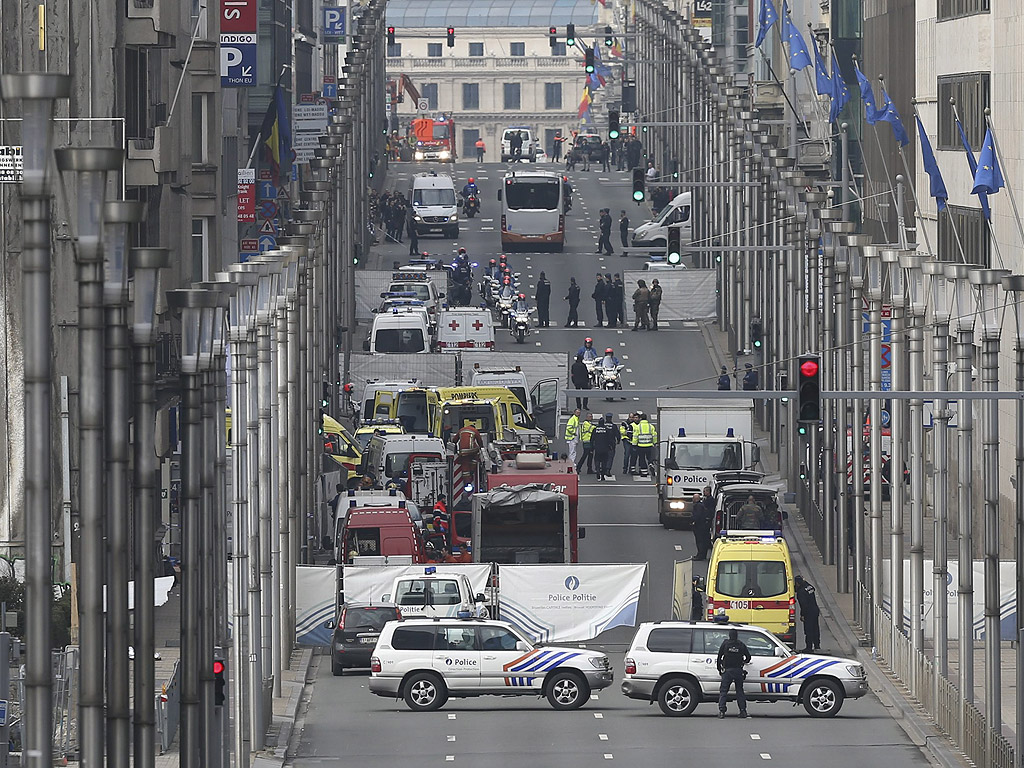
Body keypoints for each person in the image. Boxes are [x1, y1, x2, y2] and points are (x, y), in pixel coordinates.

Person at [716, 628, 751, 718]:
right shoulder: (741, 645)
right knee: (739, 691)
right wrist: (743, 662)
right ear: (737, 635)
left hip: (727, 671)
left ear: (729, 635)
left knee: (723, 691)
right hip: (738, 670)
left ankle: (721, 711)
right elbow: (748, 657)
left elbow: (719, 657)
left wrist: (719, 669)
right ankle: (743, 711)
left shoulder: (725, 644)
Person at [794, 575, 822, 652]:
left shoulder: (801, 592)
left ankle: (809, 647)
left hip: (809, 613)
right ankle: (817, 645)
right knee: (815, 628)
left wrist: (802, 615)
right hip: (815, 610)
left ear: (797, 583)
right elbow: (812, 587)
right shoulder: (809, 587)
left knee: (808, 630)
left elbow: (804, 605)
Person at [591, 413, 619, 481]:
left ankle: (598, 470)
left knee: (597, 460)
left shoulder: (595, 429)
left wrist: (592, 448)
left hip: (597, 448)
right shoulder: (608, 428)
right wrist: (613, 444)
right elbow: (611, 438)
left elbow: (592, 439)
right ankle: (604, 473)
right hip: (606, 448)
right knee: (605, 461)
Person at [631, 411, 657, 476]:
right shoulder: (651, 426)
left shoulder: (638, 427)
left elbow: (635, 436)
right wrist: (655, 443)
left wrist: (634, 444)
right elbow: (654, 435)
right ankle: (651, 464)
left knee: (642, 459)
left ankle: (644, 472)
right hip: (649, 445)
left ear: (640, 419)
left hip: (641, 446)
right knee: (649, 457)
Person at [691, 492, 711, 561]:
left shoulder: (698, 506)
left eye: (693, 498)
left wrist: (693, 521)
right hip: (704, 525)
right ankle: (703, 555)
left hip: (699, 526)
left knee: (700, 541)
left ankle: (700, 555)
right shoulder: (702, 505)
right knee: (703, 540)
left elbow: (697, 516)